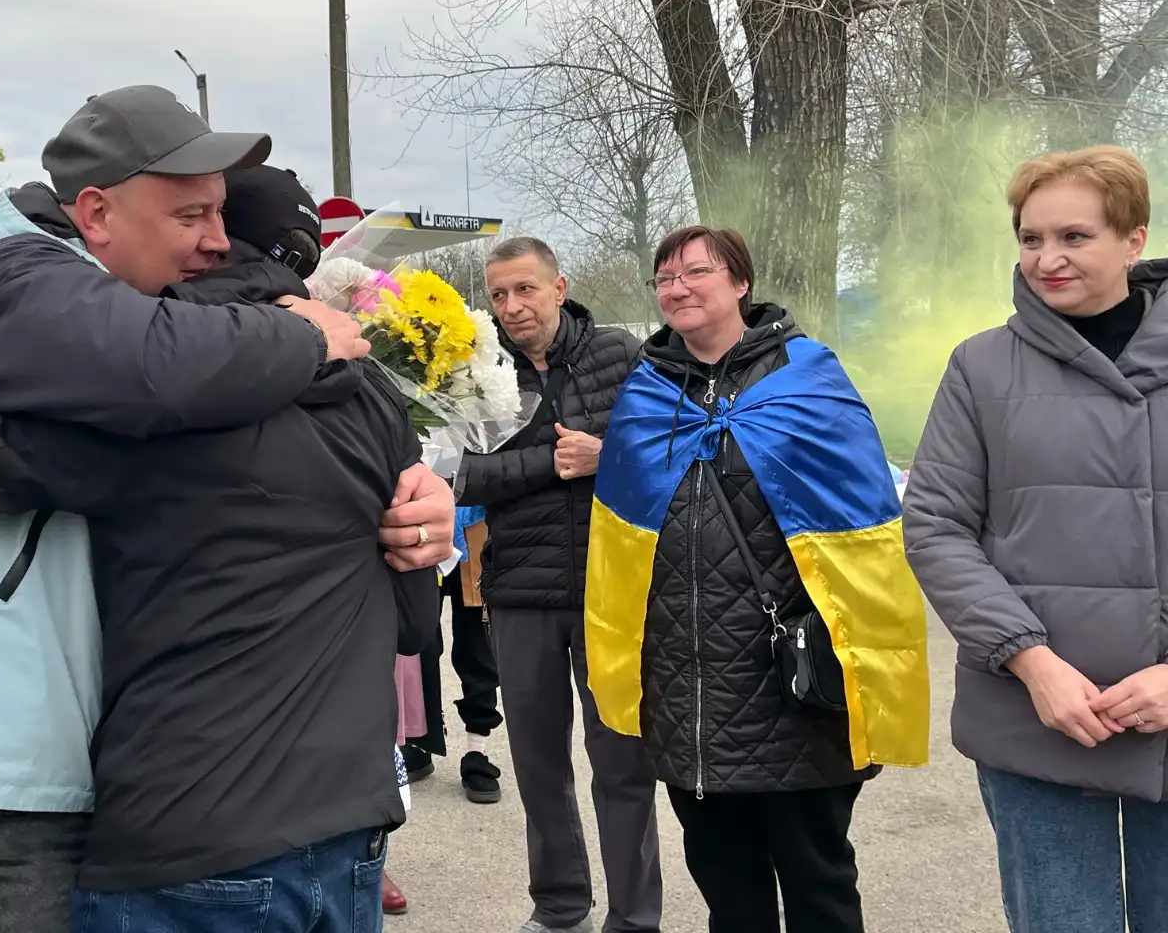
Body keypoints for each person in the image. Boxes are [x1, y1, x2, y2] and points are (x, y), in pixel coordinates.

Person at [0, 88, 454, 933]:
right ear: (98, 211)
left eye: (219, 217)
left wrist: (420, 503)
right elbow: (148, 372)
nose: (210, 240)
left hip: (110, 773)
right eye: (190, 215)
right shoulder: (21, 273)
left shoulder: (175, 337)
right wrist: (311, 338)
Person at [584, 226, 931, 933]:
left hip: (791, 683)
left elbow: (864, 538)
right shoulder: (647, 396)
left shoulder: (809, 382)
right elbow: (619, 549)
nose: (676, 288)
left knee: (818, 882)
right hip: (688, 687)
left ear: (740, 283)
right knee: (725, 885)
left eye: (695, 272)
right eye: (664, 278)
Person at [904, 145, 1168, 933]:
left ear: (1133, 239)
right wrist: (1034, 661)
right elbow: (937, 524)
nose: (1046, 259)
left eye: (1075, 237)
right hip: (1039, 721)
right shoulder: (981, 368)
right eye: (1030, 238)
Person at [450, 236, 659, 933]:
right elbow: (462, 478)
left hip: (613, 591)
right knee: (540, 768)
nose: (511, 307)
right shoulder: (475, 373)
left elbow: (672, 450)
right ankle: (561, 908)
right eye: (499, 294)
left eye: (525, 290)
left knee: (623, 767)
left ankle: (634, 919)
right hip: (520, 596)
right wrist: (549, 463)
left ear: (559, 286)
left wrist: (609, 455)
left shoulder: (620, 356)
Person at [403, 500, 504, 805]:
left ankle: (478, 749)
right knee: (417, 637)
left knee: (477, 642)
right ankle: (418, 739)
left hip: (476, 519)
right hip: (423, 517)